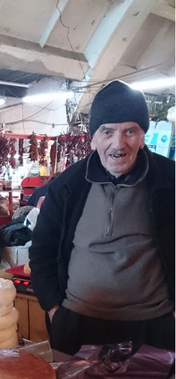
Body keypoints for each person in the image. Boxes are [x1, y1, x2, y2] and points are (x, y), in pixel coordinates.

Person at [30, 80, 175, 355]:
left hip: (154, 329)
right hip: (78, 326)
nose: (118, 143)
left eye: (130, 131)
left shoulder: (171, 182)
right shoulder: (67, 186)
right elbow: (42, 251)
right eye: (107, 131)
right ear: (93, 138)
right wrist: (53, 310)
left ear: (143, 135)